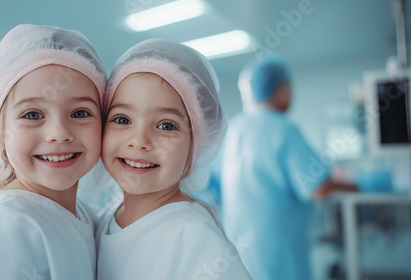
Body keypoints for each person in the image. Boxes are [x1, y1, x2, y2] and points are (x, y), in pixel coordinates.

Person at [0, 24, 106, 279]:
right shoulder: (8, 222)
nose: (59, 133)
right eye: (32, 114)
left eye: (80, 113)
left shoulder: (84, 216)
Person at [95, 39, 253, 280]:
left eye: (166, 126)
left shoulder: (194, 236)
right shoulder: (107, 218)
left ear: (197, 144)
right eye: (122, 119)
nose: (139, 140)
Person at [220, 56, 358, 280]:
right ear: (282, 90)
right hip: (276, 255)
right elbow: (319, 187)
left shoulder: (233, 130)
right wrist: (354, 186)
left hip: (238, 252)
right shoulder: (282, 129)